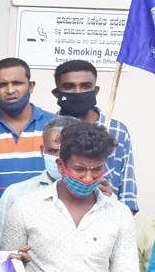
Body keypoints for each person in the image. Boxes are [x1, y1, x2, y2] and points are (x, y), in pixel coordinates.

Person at [0, 122, 138, 272]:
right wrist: (12, 262)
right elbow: (5, 270)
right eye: (79, 169)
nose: (88, 178)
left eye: (97, 169)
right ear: (60, 166)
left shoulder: (119, 214)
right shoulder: (26, 206)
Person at [52, 59, 138, 213]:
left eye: (86, 86)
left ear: (96, 90)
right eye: (69, 87)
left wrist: (111, 201)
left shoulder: (117, 130)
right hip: (54, 218)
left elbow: (128, 197)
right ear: (57, 93)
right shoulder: (46, 130)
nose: (78, 92)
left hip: (105, 220)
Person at [0, 57, 56, 205]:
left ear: (31, 86)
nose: (10, 90)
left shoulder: (57, 127)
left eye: (17, 83)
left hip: (47, 223)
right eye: (2, 85)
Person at [0, 116, 78, 251]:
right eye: (53, 151)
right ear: (42, 151)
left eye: (66, 151)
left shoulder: (96, 196)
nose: (58, 159)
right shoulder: (16, 194)